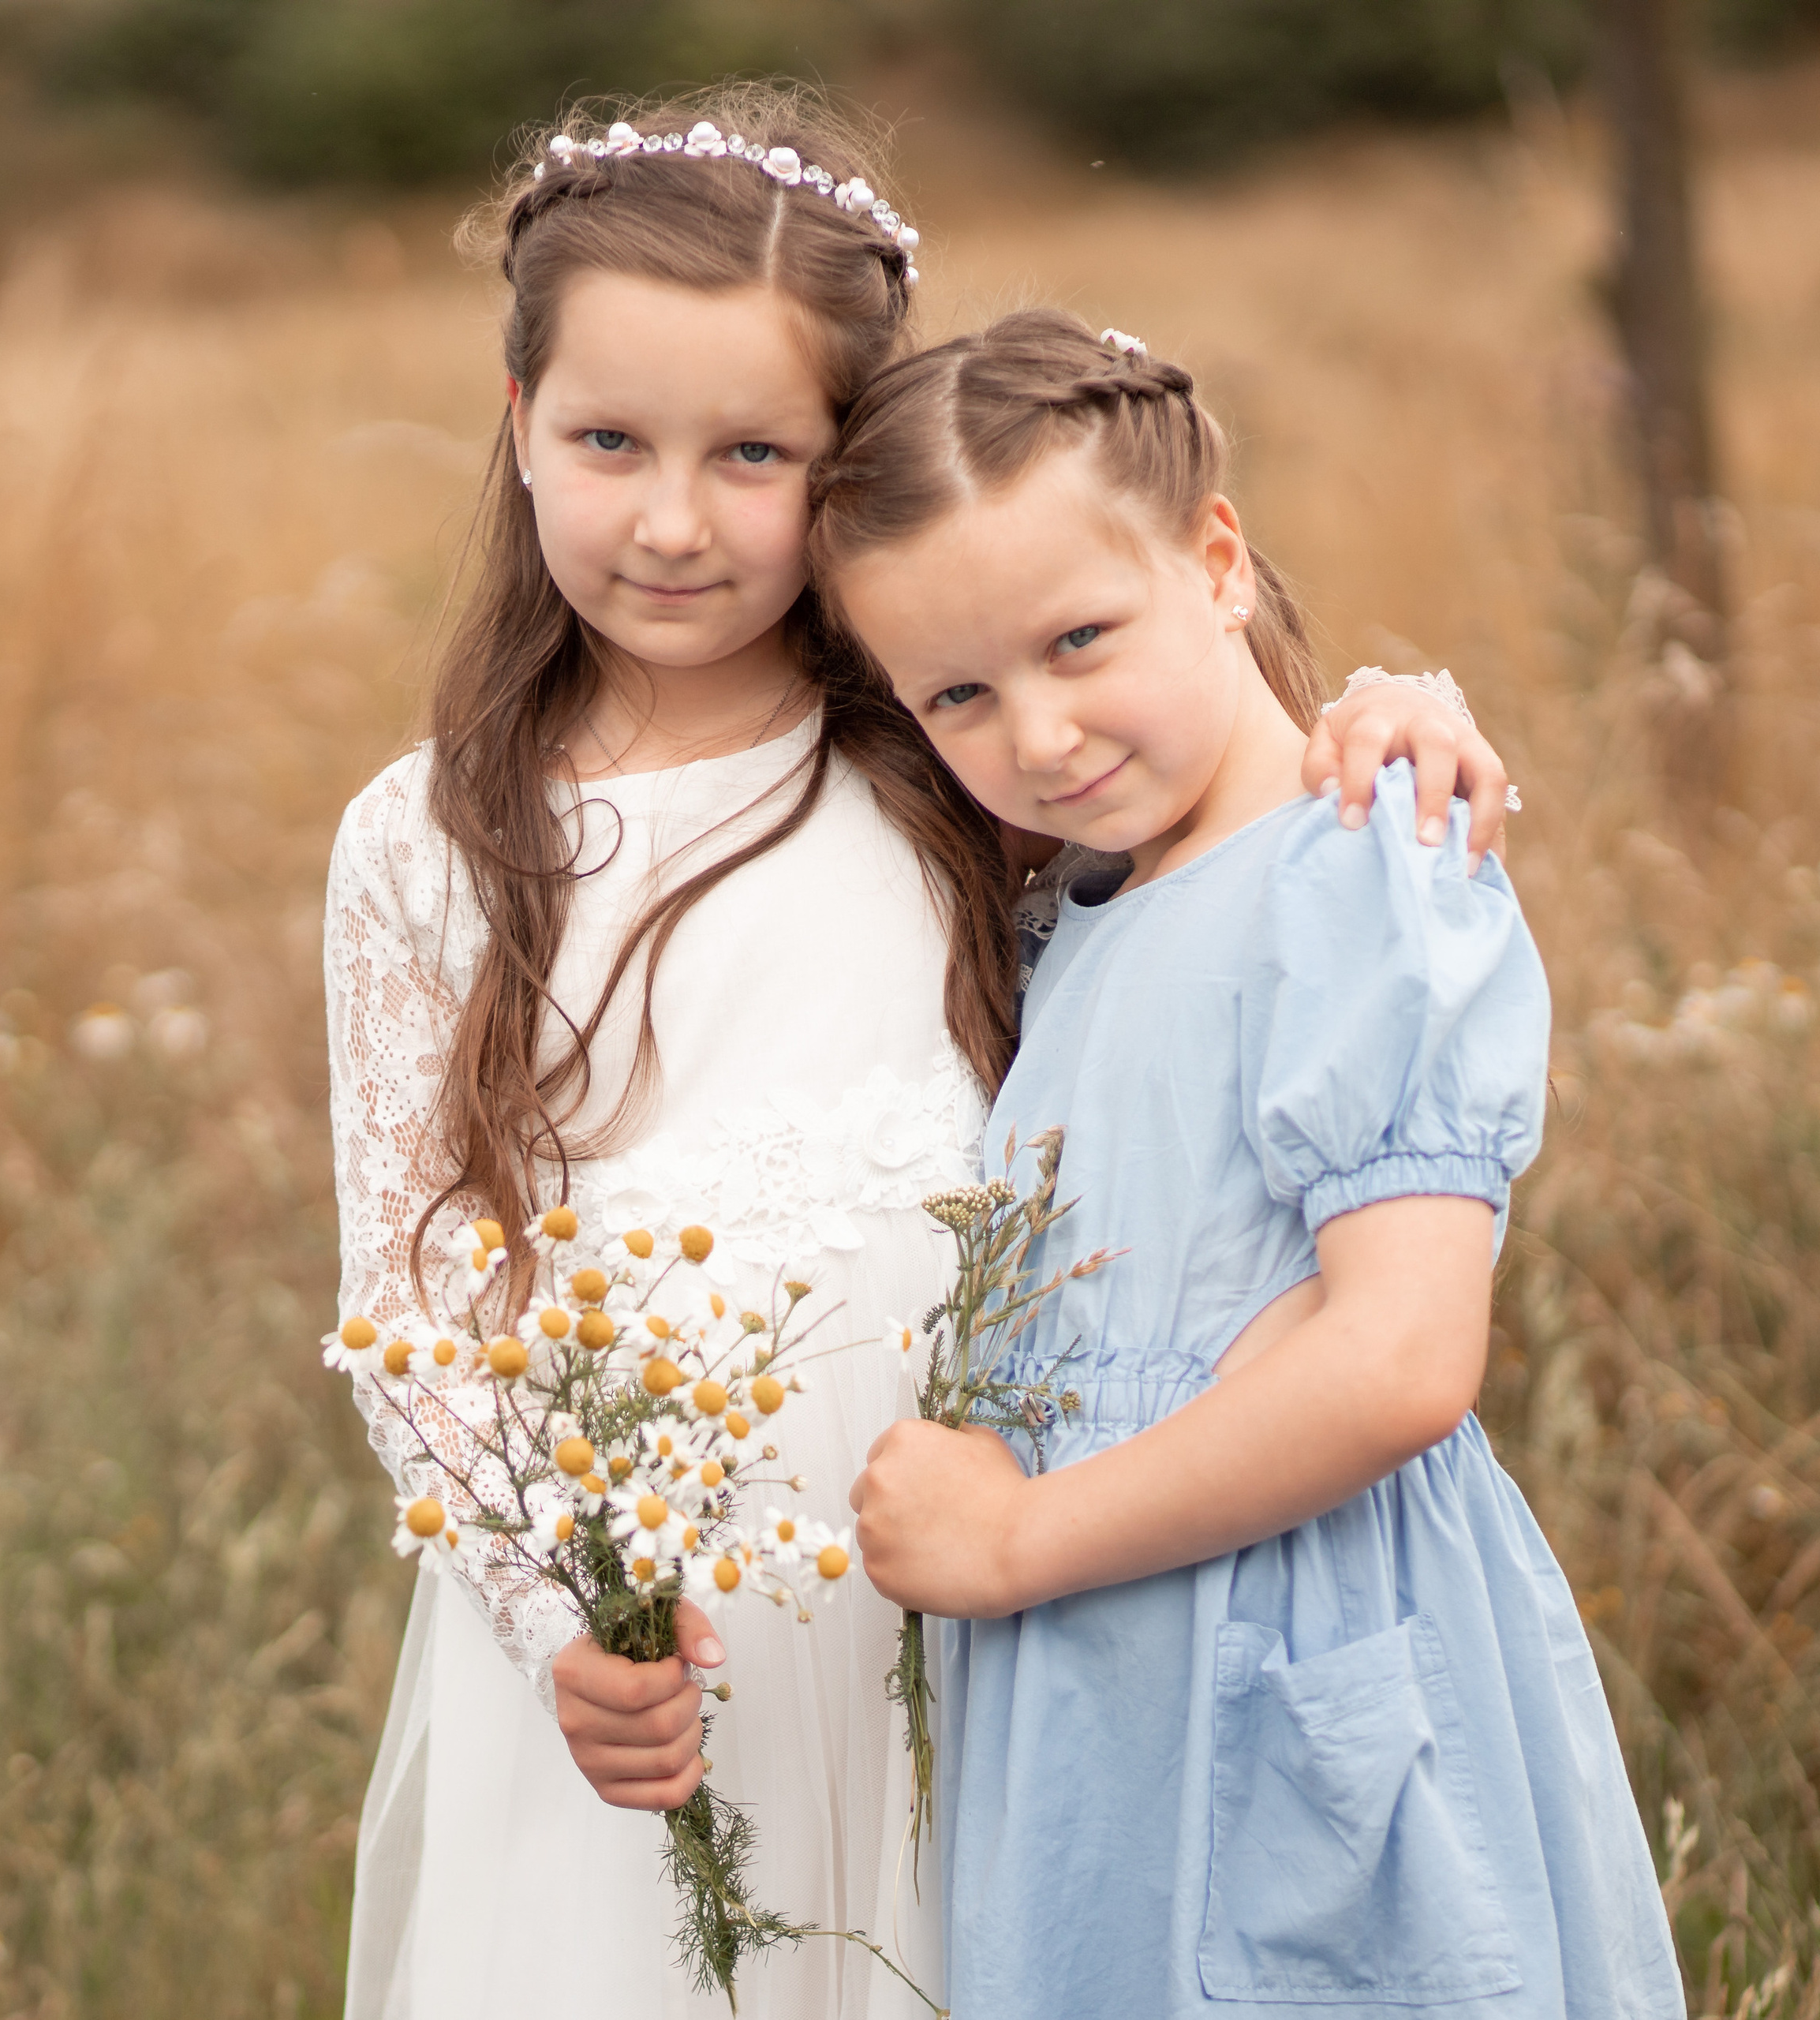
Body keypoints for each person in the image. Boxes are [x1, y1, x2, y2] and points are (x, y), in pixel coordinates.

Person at [323, 91, 1516, 2019]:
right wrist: (562, 1616)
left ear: (846, 466)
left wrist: (1388, 702)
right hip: (663, 1637)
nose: (671, 517)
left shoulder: (944, 744)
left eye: (755, 453)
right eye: (604, 438)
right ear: (516, 421)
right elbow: (408, 1274)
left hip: (982, 1569)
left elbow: (1213, 825)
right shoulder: (429, 833)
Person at [823, 311, 1683, 2018]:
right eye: (959, 692)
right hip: (1098, 1690)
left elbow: (1399, 1355)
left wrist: (1010, 1541)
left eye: (1080, 637)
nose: (1042, 732)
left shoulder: (1355, 869)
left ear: (1214, 558)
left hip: (1285, 1656)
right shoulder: (1061, 913)